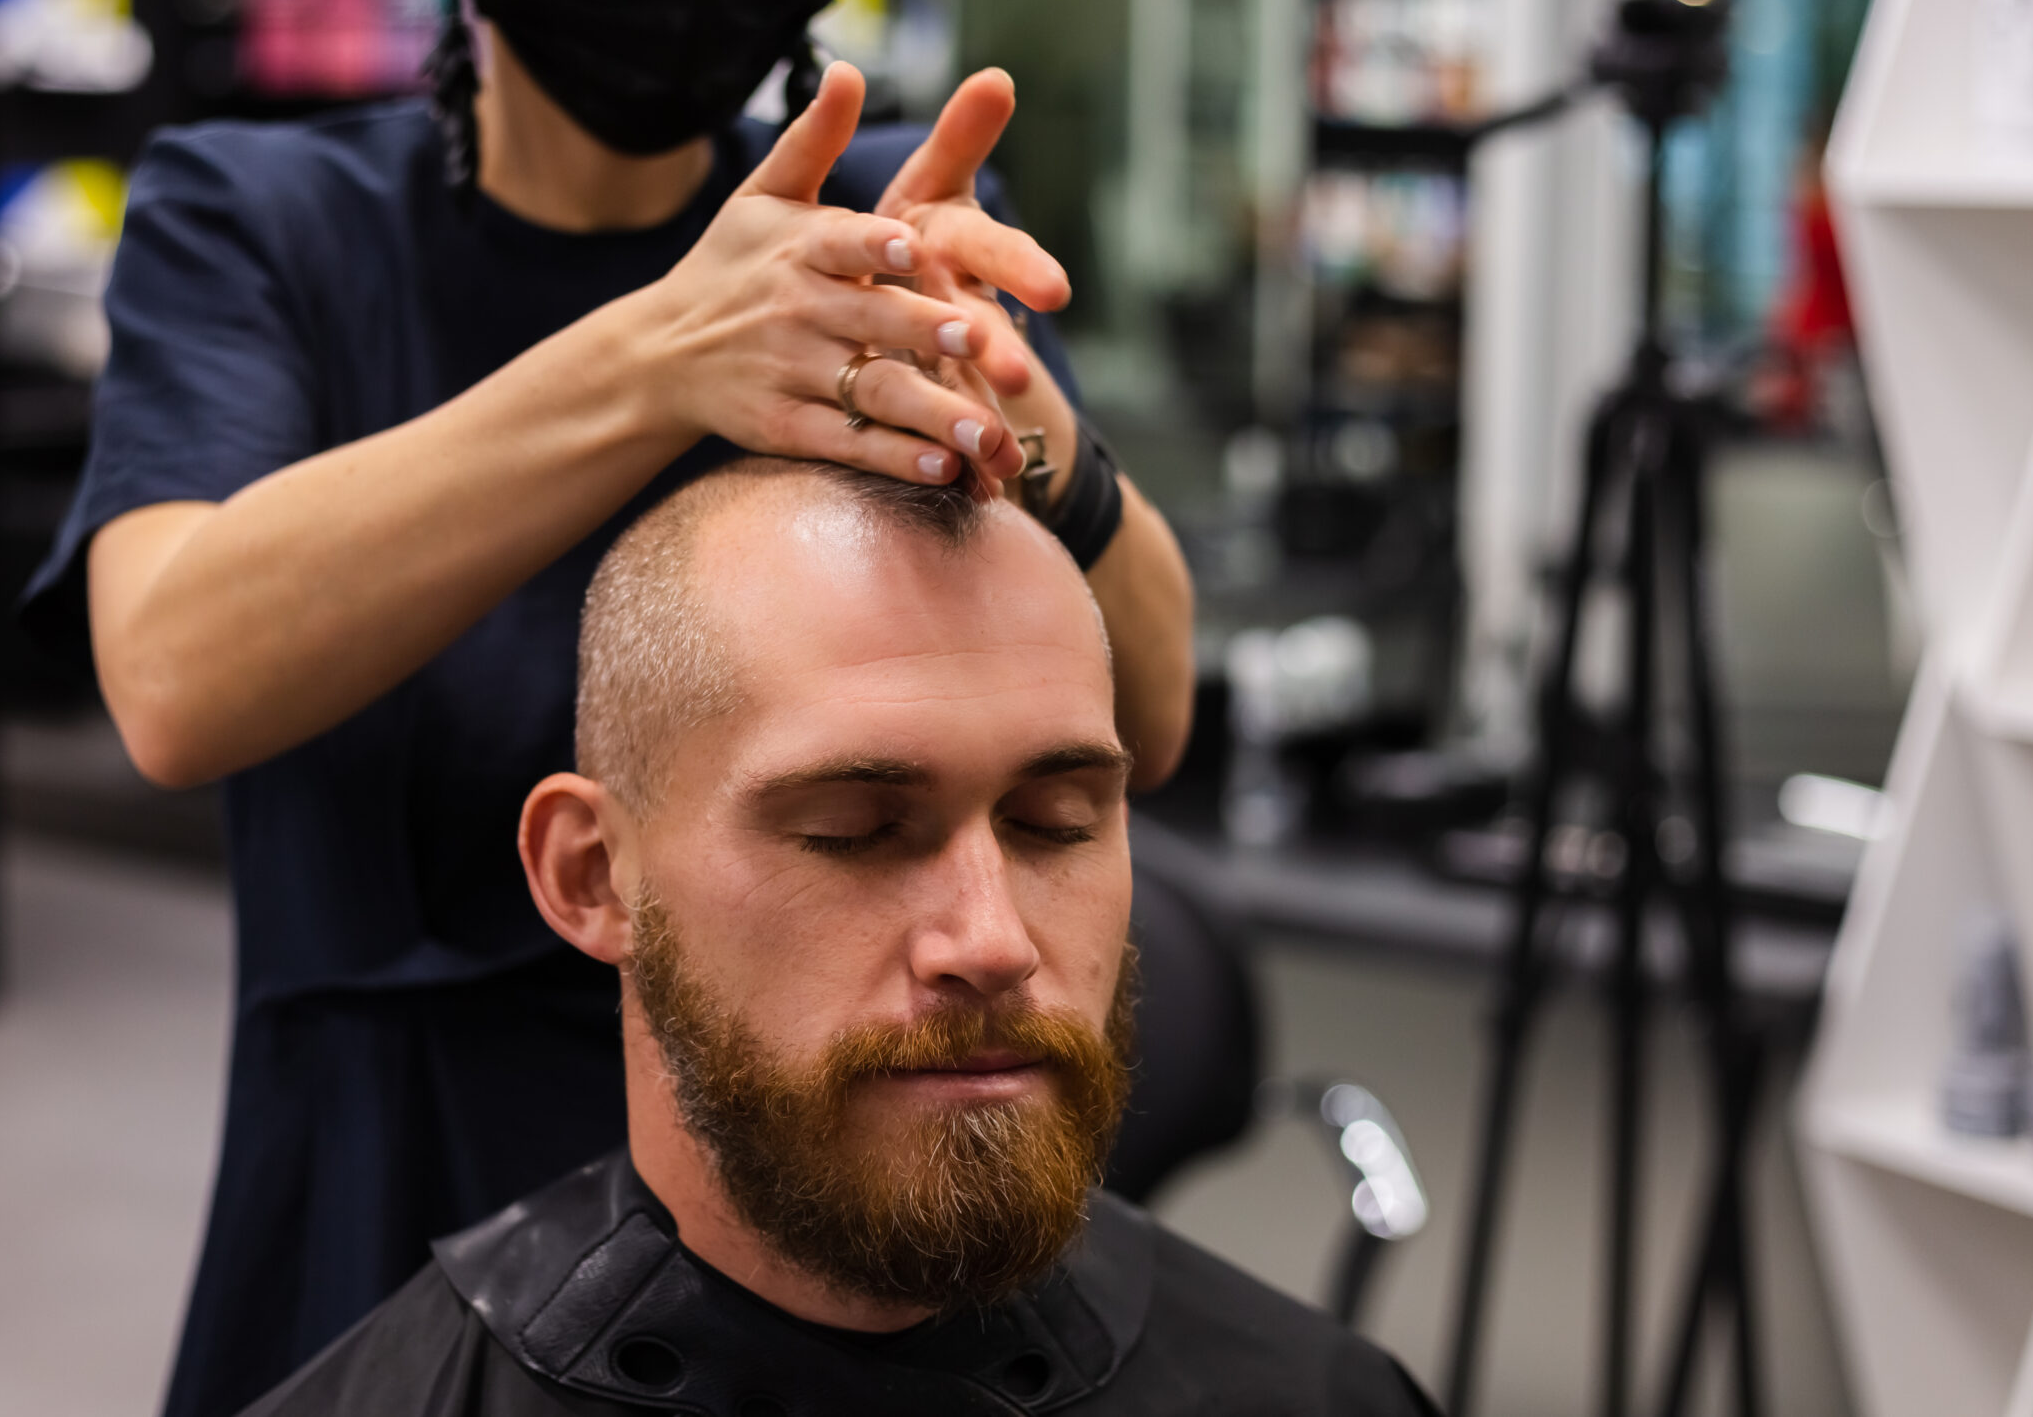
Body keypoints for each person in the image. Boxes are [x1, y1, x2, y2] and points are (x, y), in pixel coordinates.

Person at [20, 0, 1198, 1413]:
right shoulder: (267, 218)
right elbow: (175, 677)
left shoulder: (881, 221)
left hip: (817, 1166)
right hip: (388, 1176)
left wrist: (1045, 444)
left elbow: (1145, 718)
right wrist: (656, 361)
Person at [239, 457, 1435, 1417]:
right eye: (856, 832)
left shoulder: (1330, 1394)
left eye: (1056, 823)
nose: (991, 940)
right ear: (594, 877)